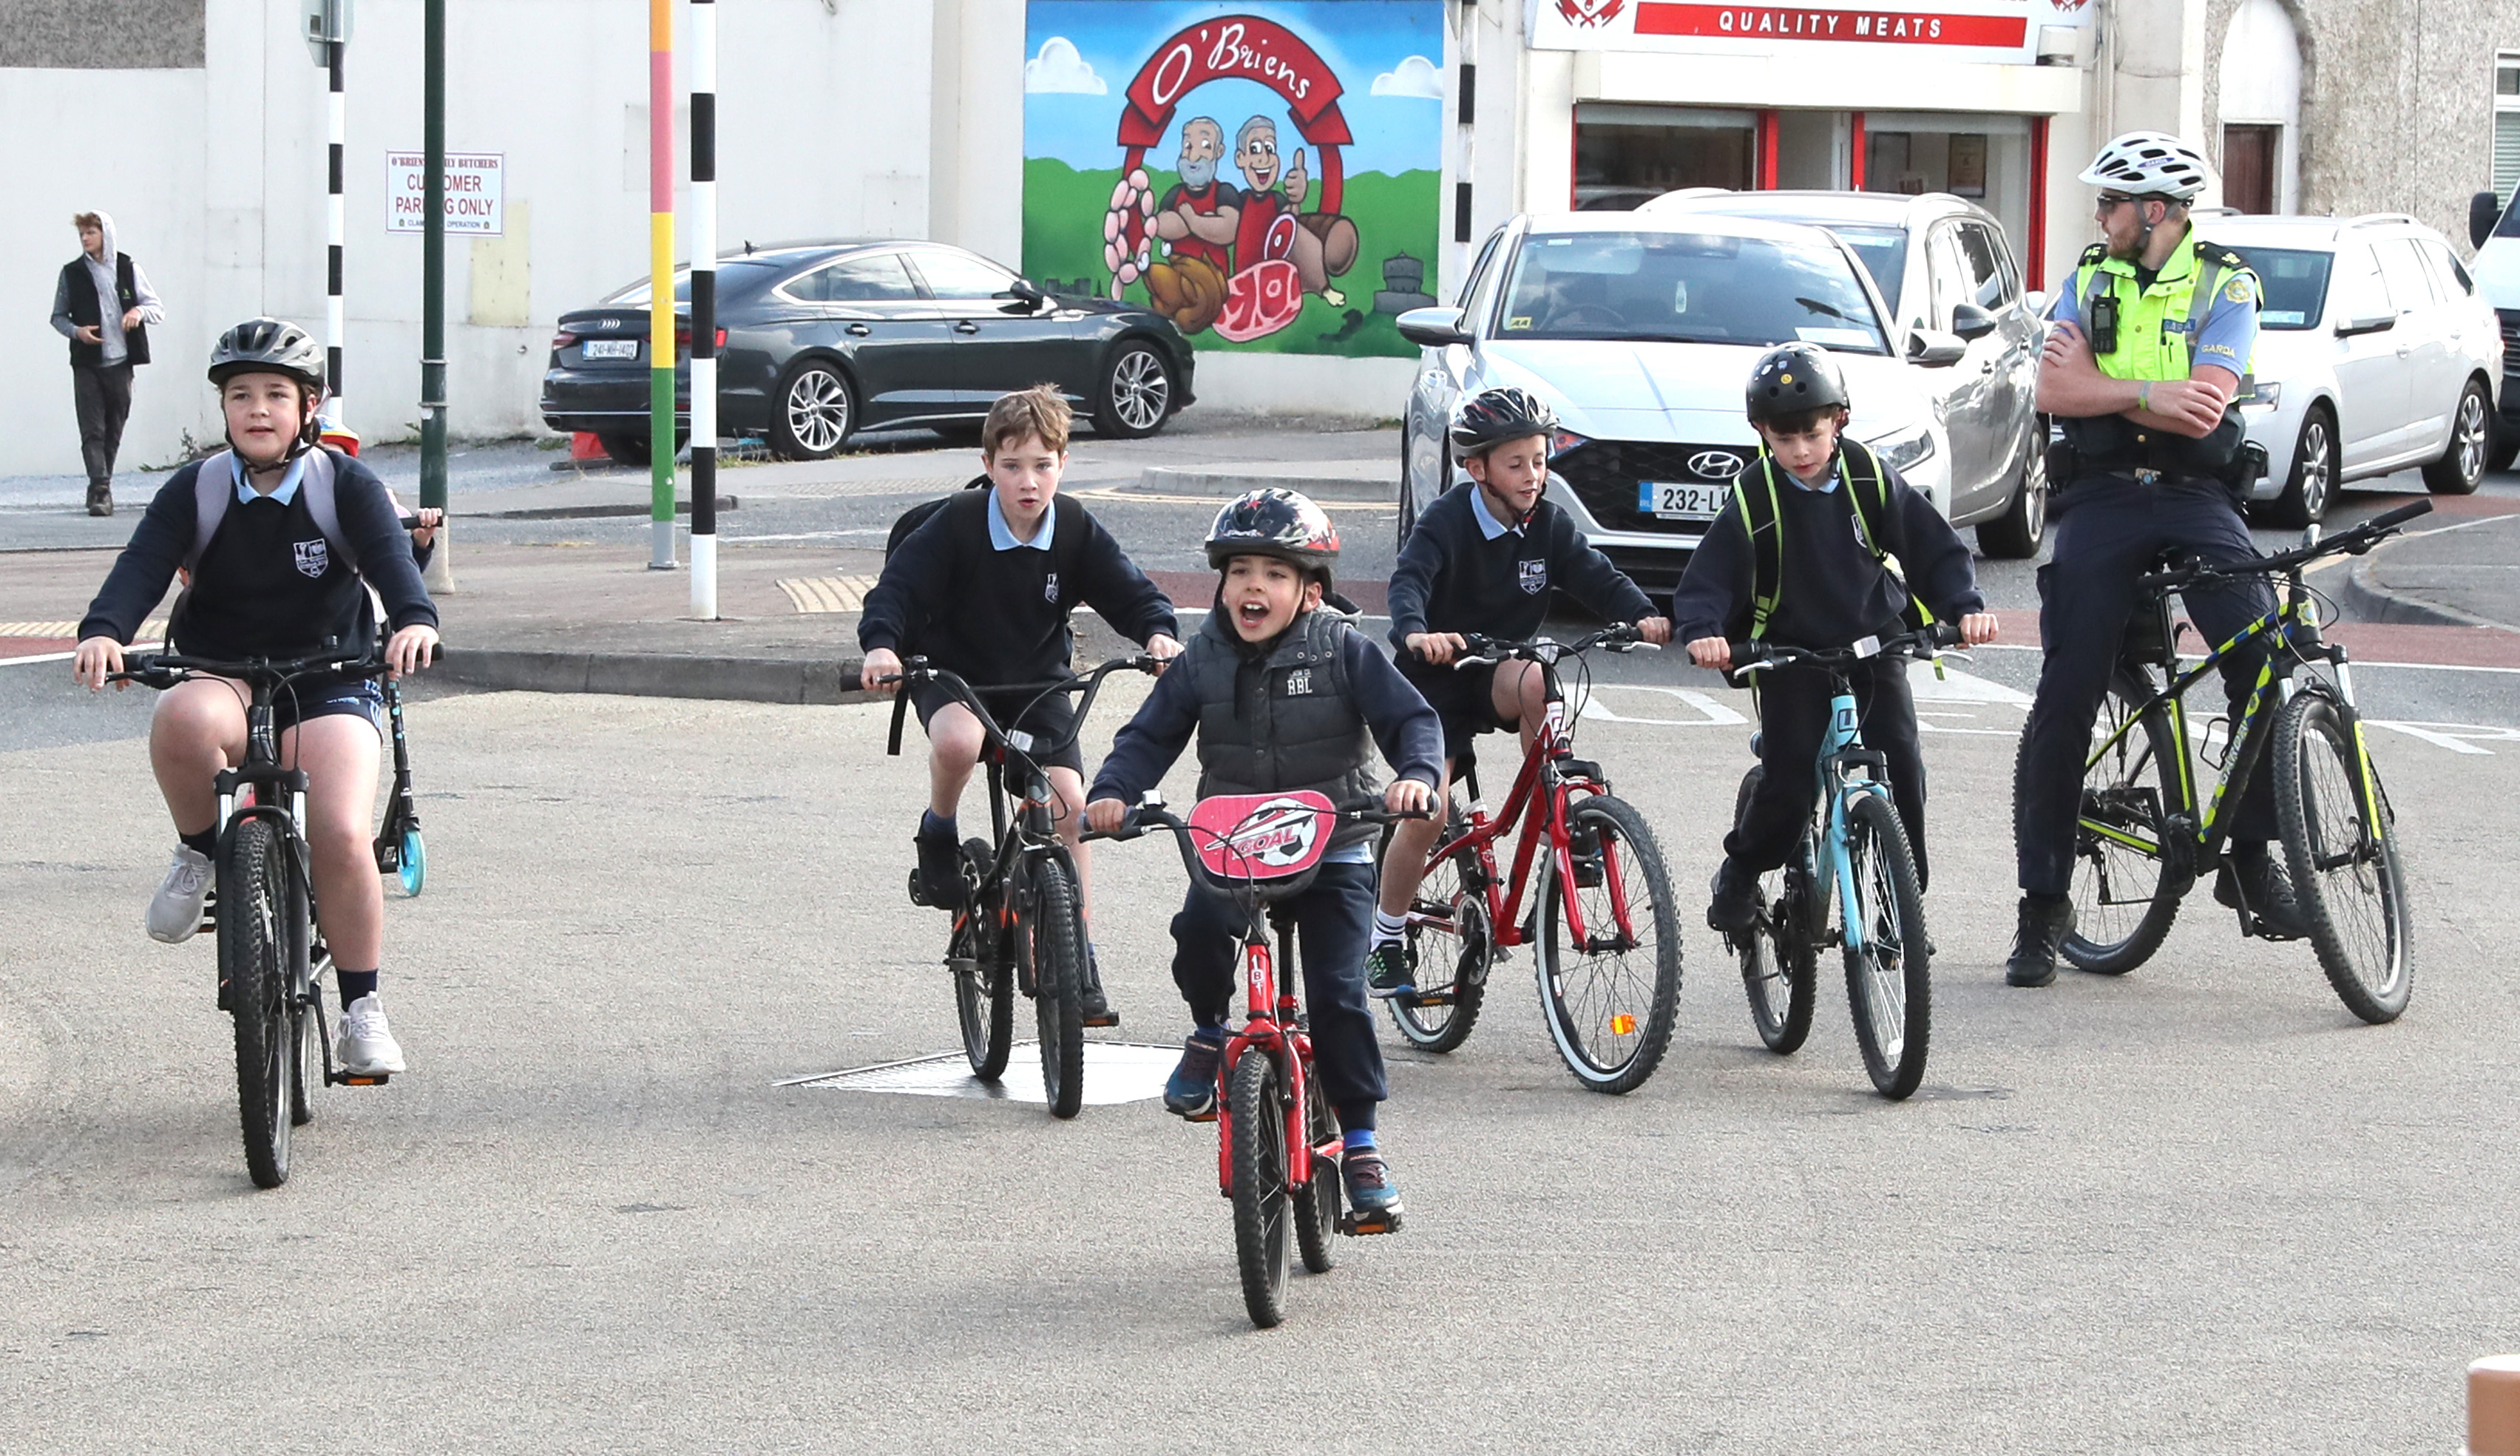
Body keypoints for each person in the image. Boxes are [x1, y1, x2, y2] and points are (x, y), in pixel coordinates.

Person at [70, 318, 440, 1077]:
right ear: (225, 409)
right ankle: (200, 851)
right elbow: (142, 564)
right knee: (180, 718)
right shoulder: (198, 487)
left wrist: (414, 623)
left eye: (278, 393)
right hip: (224, 666)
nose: (259, 408)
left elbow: (393, 564)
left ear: (309, 409)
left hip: (332, 675)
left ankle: (361, 1009)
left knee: (339, 831)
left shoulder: (345, 485)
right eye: (242, 395)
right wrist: (103, 632)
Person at [1085, 490, 1440, 1223]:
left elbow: (1412, 720)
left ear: (1311, 591)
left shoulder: (1344, 648)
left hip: (1335, 843)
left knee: (1339, 991)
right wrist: (1115, 792)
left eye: (1275, 574)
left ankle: (1364, 1143)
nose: (1254, 586)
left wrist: (1417, 777)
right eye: (1239, 570)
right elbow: (1148, 737)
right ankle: (1210, 1031)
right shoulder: (1202, 660)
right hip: (1237, 844)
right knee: (1198, 930)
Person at [2011, 129, 2297, 988]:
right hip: (2099, 495)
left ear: (2158, 212)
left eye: (2111, 203)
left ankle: (2250, 856)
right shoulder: (2087, 279)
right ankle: (2042, 906)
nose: (2097, 216)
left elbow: (2207, 409)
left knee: (2261, 660)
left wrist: (2115, 389)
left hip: (2194, 495)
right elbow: (2054, 391)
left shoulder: (2225, 283)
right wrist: (2145, 394)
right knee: (2065, 695)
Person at [858, 386, 1184, 1027]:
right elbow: (895, 591)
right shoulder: (956, 523)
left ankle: (1081, 956)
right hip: (954, 673)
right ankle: (940, 829)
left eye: (1042, 465)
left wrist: (1157, 634)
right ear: (988, 466)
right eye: (1012, 466)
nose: (1028, 482)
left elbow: (1131, 591)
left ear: (1063, 464)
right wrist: (882, 649)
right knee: (958, 742)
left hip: (1037, 682)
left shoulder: (1076, 528)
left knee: (1070, 804)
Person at [1670, 344, 1997, 932]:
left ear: (1839, 420)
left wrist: (1965, 609)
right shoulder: (1754, 495)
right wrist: (1704, 632)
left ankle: (1901, 909)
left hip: (1873, 646)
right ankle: (1742, 870)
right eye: (1783, 438)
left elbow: (1932, 548)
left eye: (1812, 435)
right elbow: (1710, 578)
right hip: (1789, 656)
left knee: (1902, 769)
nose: (1799, 451)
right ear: (1761, 432)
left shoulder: (1870, 477)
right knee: (1790, 782)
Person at [1364, 386, 1672, 1000]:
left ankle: (1557, 812)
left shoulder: (1548, 525)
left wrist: (1643, 615)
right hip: (1430, 684)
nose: (1534, 475)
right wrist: (1418, 632)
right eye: (1517, 463)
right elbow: (1409, 581)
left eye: (1541, 459)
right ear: (1477, 469)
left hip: (1495, 667)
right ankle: (1385, 936)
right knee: (1428, 807)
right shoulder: (1447, 521)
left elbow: (1596, 576)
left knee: (1539, 677)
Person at [50, 211, 165, 518]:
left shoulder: (127, 268)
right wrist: (78, 333)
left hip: (121, 363)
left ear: (106, 234)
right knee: (92, 430)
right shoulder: (72, 273)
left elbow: (156, 308)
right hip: (87, 364)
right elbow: (58, 317)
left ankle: (101, 484)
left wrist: (138, 312)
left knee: (114, 427)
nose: (86, 239)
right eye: (82, 234)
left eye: (91, 233)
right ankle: (101, 489)